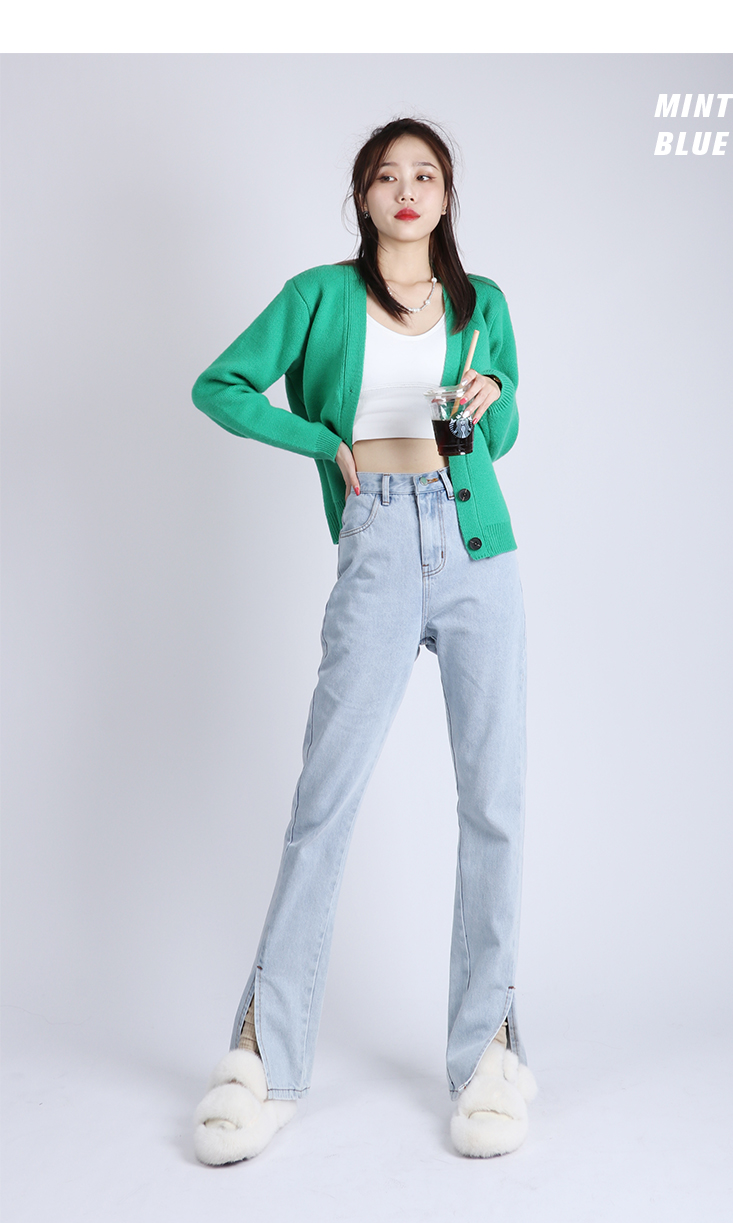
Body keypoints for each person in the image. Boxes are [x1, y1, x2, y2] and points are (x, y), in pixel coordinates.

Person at [190, 117, 537, 1164]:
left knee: (493, 804)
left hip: (477, 548)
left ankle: (489, 1054)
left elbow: (503, 431)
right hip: (378, 539)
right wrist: (322, 442)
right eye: (387, 175)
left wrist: (492, 397)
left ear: (446, 197)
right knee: (324, 803)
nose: (406, 189)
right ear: (363, 195)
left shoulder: (482, 304)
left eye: (425, 174)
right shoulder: (318, 295)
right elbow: (220, 385)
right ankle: (262, 1058)